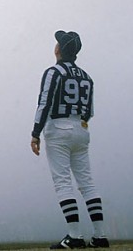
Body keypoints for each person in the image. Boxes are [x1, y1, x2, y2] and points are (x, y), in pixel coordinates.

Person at [31, 30, 109, 249]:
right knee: (87, 182)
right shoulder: (87, 76)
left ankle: (74, 236)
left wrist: (35, 132)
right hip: (82, 129)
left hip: (58, 127)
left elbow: (44, 102)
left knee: (63, 182)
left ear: (59, 49)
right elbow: (89, 110)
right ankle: (100, 235)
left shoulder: (53, 72)